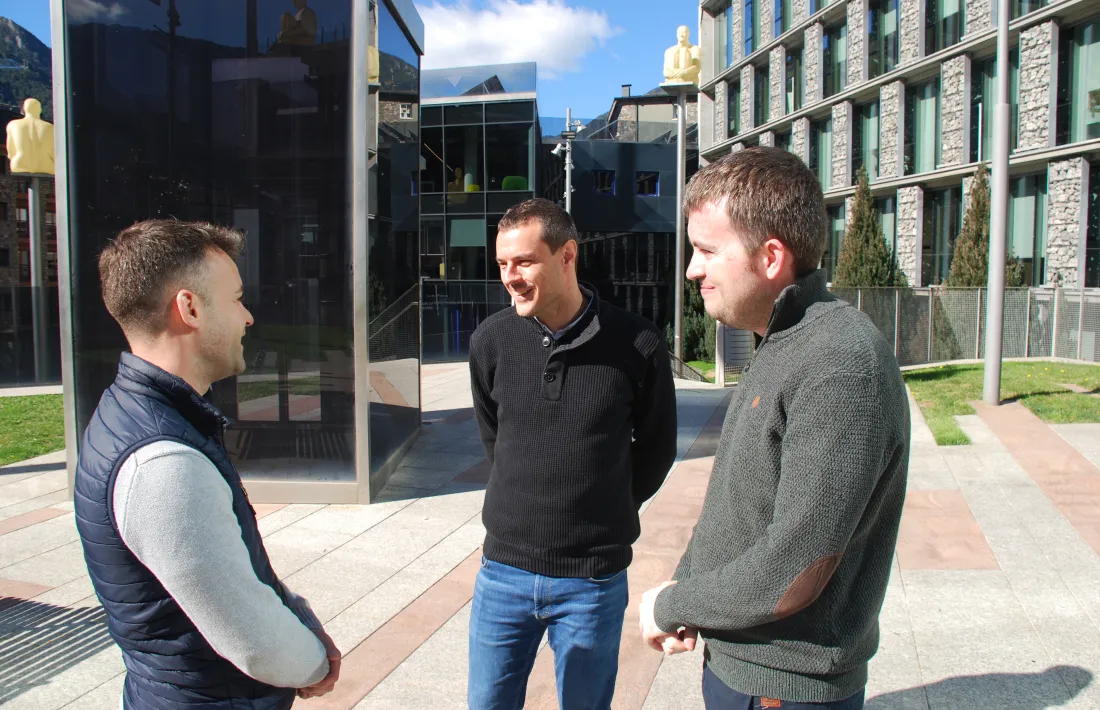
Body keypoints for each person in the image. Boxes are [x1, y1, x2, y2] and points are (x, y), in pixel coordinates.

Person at [638, 147, 910, 710]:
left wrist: (673, 604)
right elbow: (739, 506)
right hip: (747, 671)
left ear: (770, 257)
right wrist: (684, 588)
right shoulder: (784, 340)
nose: (692, 269)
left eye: (707, 250)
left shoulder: (839, 362)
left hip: (785, 688)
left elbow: (794, 568)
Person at [73, 220, 341, 709]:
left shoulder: (142, 417)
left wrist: (296, 615)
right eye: (237, 298)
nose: (248, 317)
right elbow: (254, 640)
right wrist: (313, 661)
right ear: (190, 308)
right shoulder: (161, 461)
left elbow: (231, 573)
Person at [468, 198, 678, 709]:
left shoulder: (638, 343)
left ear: (567, 255)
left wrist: (602, 508)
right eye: (502, 264)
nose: (510, 277)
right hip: (503, 573)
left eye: (523, 261)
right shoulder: (490, 341)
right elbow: (493, 436)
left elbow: (657, 449)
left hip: (592, 581)